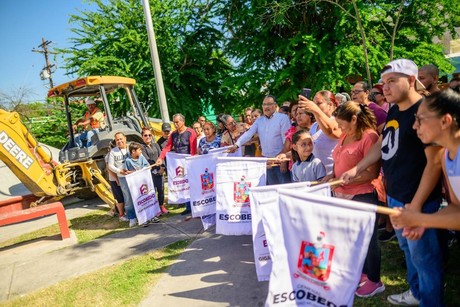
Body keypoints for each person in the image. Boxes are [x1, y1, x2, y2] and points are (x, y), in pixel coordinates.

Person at [340, 59, 444, 306]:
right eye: (383, 83)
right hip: (396, 196)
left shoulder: (426, 111)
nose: (385, 88)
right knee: (408, 251)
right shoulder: (395, 109)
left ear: (410, 81)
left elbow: (435, 163)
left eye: (391, 81)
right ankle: (417, 293)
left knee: (425, 258)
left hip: (418, 201)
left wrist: (416, 206)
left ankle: (431, 300)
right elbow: (382, 143)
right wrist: (358, 167)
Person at [325, 101, 383, 297]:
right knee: (354, 239)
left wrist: (343, 181)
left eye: (342, 124)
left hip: (362, 195)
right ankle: (364, 272)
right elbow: (340, 161)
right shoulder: (346, 134)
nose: (340, 128)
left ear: (354, 119)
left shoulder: (370, 137)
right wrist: (330, 178)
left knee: (368, 239)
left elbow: (372, 173)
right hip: (342, 194)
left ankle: (375, 280)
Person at [390, 89, 460, 230]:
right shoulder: (447, 157)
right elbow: (456, 208)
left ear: (445, 121)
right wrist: (423, 221)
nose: (415, 125)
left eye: (420, 119)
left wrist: (420, 219)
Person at [230, 95, 291, 185]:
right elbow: (249, 134)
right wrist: (236, 145)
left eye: (269, 104)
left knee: (285, 191)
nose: (266, 107)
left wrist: (283, 161)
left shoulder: (283, 118)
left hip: (280, 161)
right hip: (266, 162)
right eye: (264, 104)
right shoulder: (259, 121)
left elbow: (286, 141)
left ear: (275, 105)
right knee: (272, 191)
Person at [156, 113, 197, 215]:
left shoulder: (190, 132)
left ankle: (195, 207)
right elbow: (167, 147)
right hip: (179, 165)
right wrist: (161, 158)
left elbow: (193, 150)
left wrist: (192, 162)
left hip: (189, 163)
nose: (175, 124)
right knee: (183, 184)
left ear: (183, 121)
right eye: (174, 122)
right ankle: (188, 207)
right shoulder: (173, 134)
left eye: (177, 122)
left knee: (192, 185)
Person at [298, 90, 340, 174]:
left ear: (330, 105)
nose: (314, 106)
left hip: (333, 174)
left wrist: (315, 110)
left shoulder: (338, 121)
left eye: (318, 103)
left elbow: (331, 131)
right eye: (313, 103)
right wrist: (286, 155)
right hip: (317, 174)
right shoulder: (314, 125)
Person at [123, 142, 155, 227]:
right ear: (133, 151)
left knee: (148, 199)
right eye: (139, 149)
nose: (141, 151)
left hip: (144, 182)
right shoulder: (128, 161)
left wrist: (142, 169)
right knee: (140, 202)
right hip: (136, 186)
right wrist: (134, 172)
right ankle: (143, 219)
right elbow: (125, 172)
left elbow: (148, 166)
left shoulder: (141, 157)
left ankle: (152, 216)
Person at [141, 127, 168, 215]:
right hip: (150, 173)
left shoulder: (156, 145)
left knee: (161, 190)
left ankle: (161, 206)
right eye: (145, 135)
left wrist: (162, 168)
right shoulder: (142, 148)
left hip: (160, 171)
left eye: (149, 135)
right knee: (152, 192)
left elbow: (161, 156)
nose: (148, 137)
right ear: (142, 137)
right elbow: (147, 160)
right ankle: (155, 209)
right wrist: (156, 170)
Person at [107, 132, 131, 223]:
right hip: (122, 177)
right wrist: (119, 171)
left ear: (125, 138)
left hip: (133, 176)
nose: (119, 141)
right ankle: (129, 215)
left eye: (121, 139)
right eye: (117, 140)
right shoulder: (113, 152)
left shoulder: (130, 148)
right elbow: (110, 166)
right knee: (127, 197)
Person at [105, 140, 125, 219]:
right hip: (115, 179)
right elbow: (109, 169)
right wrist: (116, 179)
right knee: (119, 198)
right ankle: (121, 215)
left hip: (122, 177)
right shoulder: (109, 155)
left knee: (124, 196)